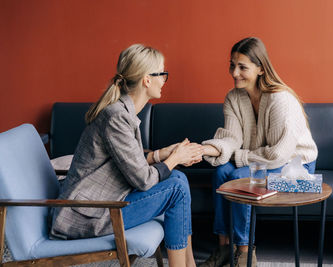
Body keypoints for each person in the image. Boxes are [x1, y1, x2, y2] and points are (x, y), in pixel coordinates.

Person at [50, 44, 204, 267]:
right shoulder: (116, 117)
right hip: (87, 214)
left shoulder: (122, 111)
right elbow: (142, 180)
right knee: (177, 187)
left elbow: (127, 162)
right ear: (147, 80)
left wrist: (163, 154)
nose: (164, 80)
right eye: (162, 74)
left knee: (178, 179)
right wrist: (174, 159)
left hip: (102, 203)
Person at [200, 37, 318, 267]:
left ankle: (244, 252)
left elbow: (278, 155)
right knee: (221, 169)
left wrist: (240, 157)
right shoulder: (233, 97)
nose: (235, 72)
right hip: (259, 160)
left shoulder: (279, 99)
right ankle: (225, 246)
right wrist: (211, 148)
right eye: (232, 65)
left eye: (242, 67)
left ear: (261, 68)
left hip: (295, 165)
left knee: (237, 177)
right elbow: (232, 138)